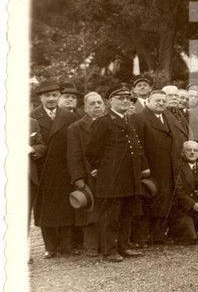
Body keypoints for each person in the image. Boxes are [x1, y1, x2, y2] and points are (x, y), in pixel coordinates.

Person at [85, 82, 150, 263]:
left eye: (127, 98)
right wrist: (104, 168)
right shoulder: (103, 122)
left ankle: (123, 246)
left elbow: (135, 147)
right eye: (120, 98)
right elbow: (91, 150)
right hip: (112, 178)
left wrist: (143, 166)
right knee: (111, 216)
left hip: (129, 177)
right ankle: (109, 250)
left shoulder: (128, 120)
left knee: (127, 213)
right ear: (110, 101)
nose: (124, 101)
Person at [33, 81, 79, 257]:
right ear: (41, 97)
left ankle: (67, 245)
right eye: (47, 96)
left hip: (64, 169)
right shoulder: (32, 117)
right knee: (46, 210)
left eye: (54, 95)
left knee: (66, 207)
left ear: (58, 96)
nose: (51, 99)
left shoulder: (69, 116)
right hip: (43, 170)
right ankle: (50, 247)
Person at [132, 89, 183, 246]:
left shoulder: (167, 117)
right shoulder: (139, 118)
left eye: (163, 101)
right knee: (148, 203)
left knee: (164, 202)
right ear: (149, 102)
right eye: (157, 101)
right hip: (151, 168)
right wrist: (143, 166)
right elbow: (137, 145)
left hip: (168, 167)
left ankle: (158, 236)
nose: (161, 103)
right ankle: (141, 238)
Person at [66, 91, 105, 254]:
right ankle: (91, 246)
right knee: (91, 211)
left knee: (108, 209)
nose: (97, 106)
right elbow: (73, 155)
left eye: (99, 103)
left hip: (107, 174)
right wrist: (79, 178)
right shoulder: (76, 127)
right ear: (85, 108)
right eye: (92, 104)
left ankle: (107, 244)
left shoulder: (111, 123)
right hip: (88, 176)